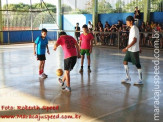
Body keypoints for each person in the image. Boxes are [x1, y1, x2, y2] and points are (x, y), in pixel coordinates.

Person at [122, 16, 143, 85]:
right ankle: (128, 77)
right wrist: (139, 47)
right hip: (130, 50)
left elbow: (135, 40)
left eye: (127, 21)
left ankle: (140, 79)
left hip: (133, 50)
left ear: (131, 21)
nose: (126, 23)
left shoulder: (134, 29)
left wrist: (126, 48)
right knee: (125, 61)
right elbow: (137, 39)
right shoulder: (132, 29)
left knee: (137, 64)